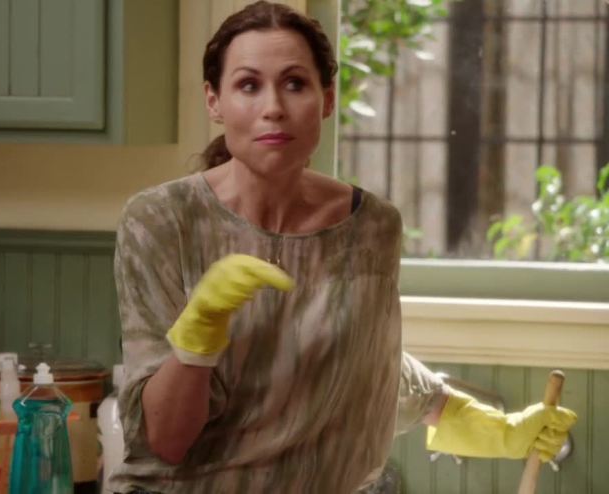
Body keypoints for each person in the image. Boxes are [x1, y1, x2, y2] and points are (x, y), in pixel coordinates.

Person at [110, 2, 577, 493]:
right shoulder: (161, 222)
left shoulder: (372, 227)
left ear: (327, 99)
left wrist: (491, 428)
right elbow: (165, 442)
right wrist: (198, 335)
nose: (274, 107)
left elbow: (357, 359)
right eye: (248, 85)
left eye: (295, 83)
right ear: (214, 101)